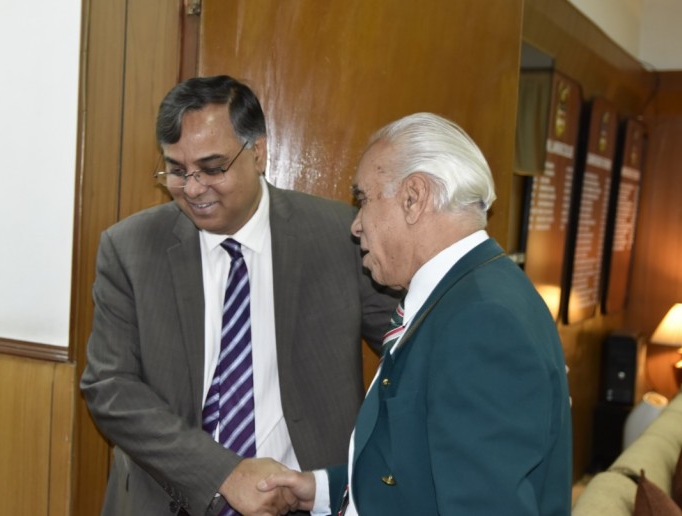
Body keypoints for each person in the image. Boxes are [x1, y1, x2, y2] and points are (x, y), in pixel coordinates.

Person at [80, 75, 397, 516]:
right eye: (177, 170)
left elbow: (409, 351)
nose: (193, 188)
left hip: (301, 501)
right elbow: (110, 387)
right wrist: (223, 473)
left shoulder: (339, 237)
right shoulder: (129, 248)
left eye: (212, 168)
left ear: (259, 152)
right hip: (167, 499)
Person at [258, 113, 573, 515]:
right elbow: (420, 471)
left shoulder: (482, 322)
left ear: (413, 198)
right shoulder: (465, 294)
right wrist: (321, 490)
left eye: (364, 200)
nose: (356, 225)